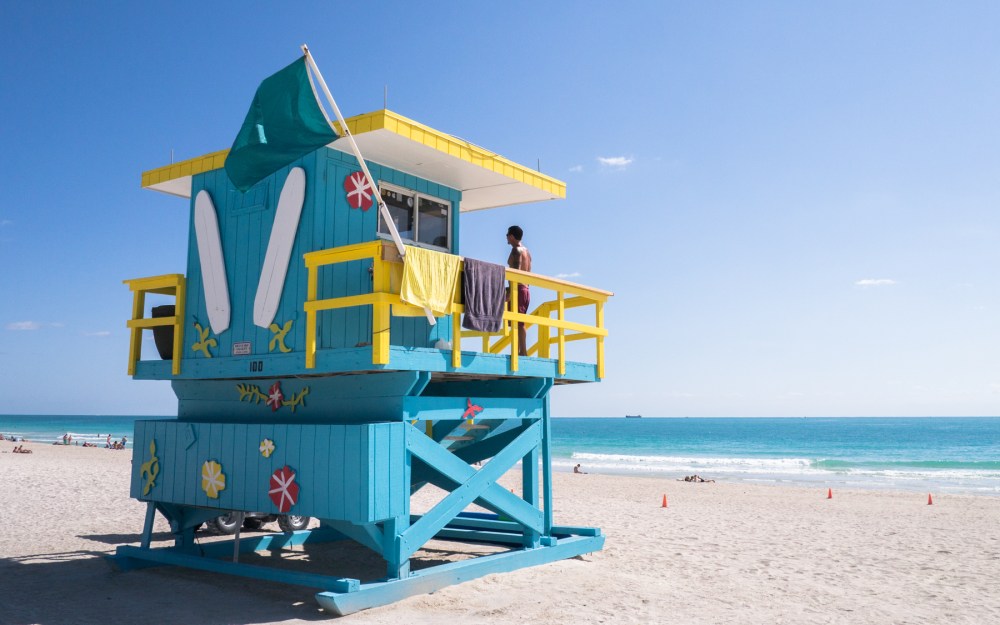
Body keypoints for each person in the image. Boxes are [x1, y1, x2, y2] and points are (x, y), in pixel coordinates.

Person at [506, 225, 532, 356]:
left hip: (518, 288)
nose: (506, 238)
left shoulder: (516, 251)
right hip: (526, 288)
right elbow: (529, 272)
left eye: (507, 235)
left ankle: (522, 351)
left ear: (511, 236)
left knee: (519, 322)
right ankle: (519, 350)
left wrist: (510, 292)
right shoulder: (527, 252)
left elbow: (515, 272)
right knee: (519, 321)